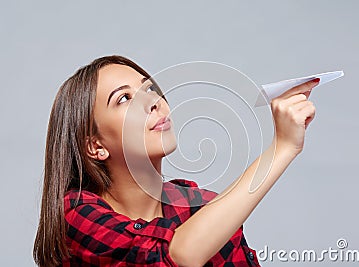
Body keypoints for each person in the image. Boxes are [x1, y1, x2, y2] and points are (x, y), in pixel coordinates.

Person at [33, 55, 319, 267]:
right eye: (123, 99)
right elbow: (175, 256)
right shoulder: (77, 214)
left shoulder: (201, 209)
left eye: (149, 89)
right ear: (96, 146)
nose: (153, 101)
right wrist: (282, 148)